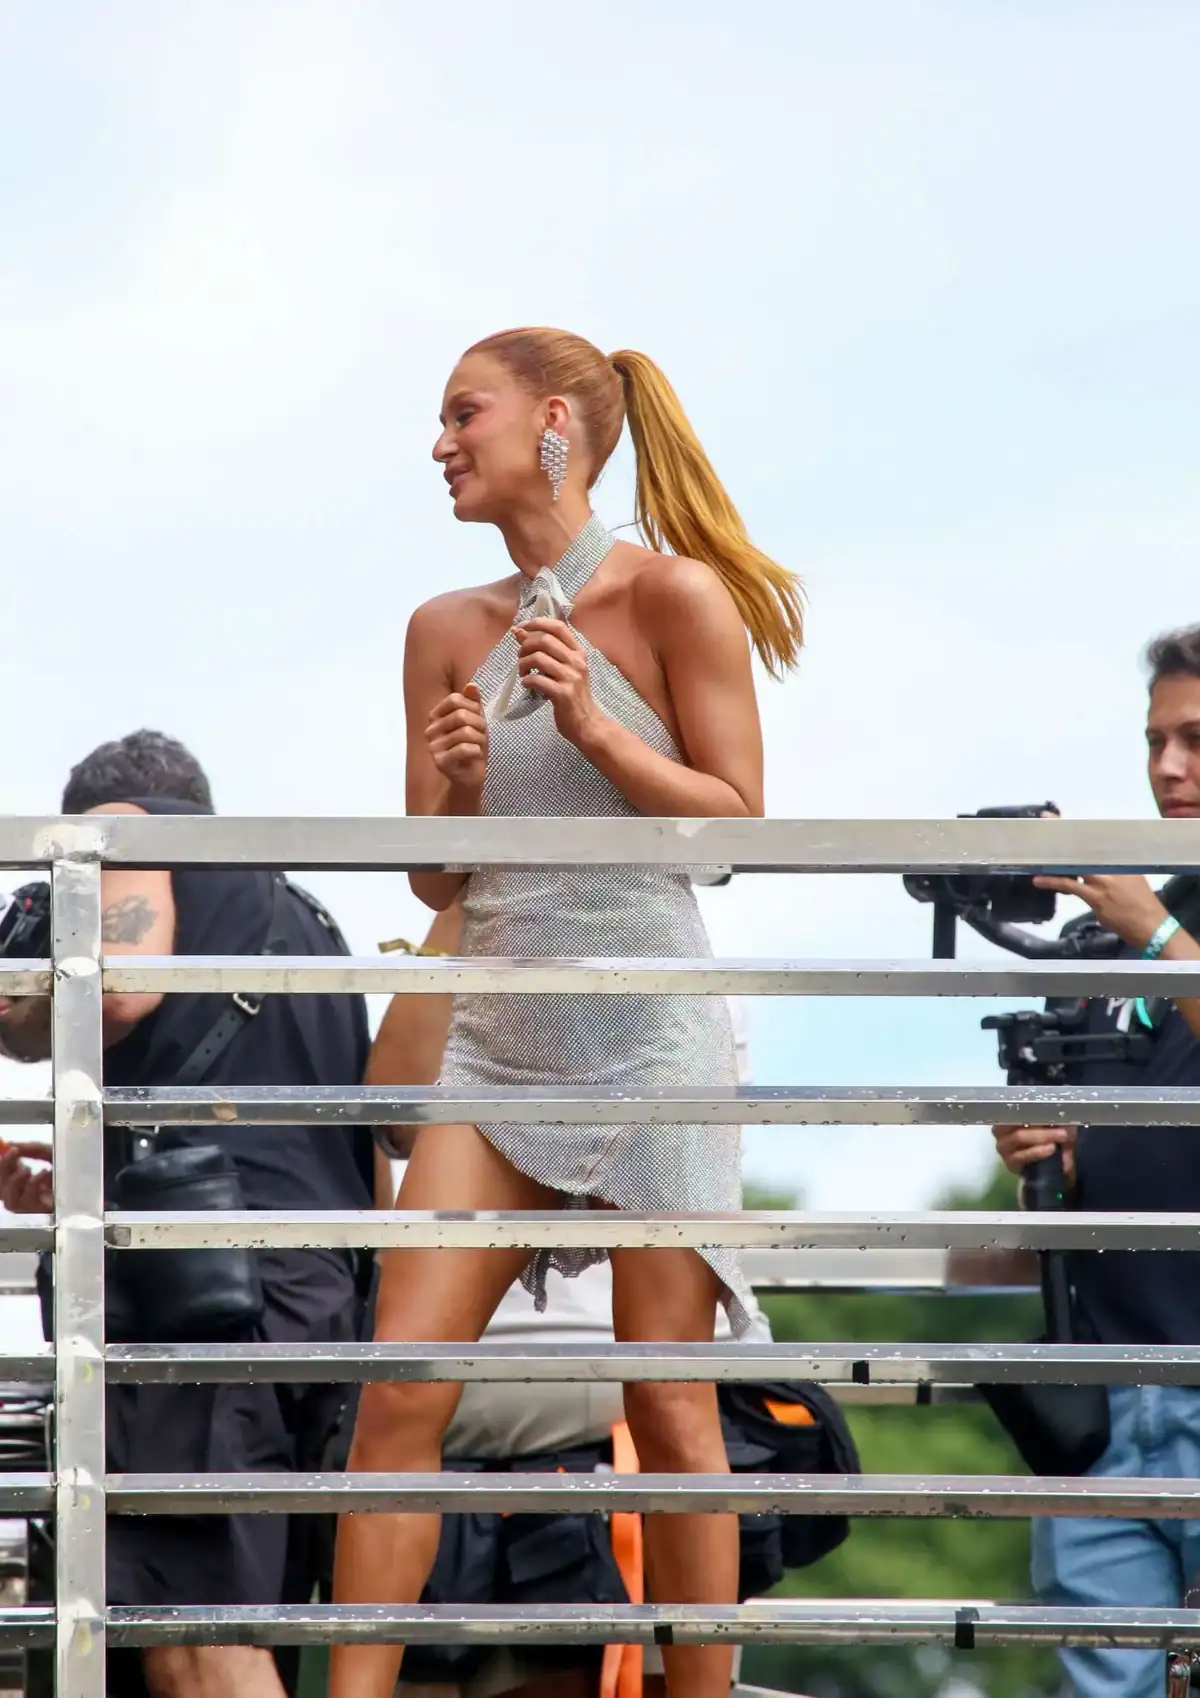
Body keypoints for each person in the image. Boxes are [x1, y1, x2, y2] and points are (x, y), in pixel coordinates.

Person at [331, 328, 803, 1698]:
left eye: (460, 415)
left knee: (669, 1400)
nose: (438, 445)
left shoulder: (675, 595)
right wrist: (459, 783)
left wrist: (596, 729)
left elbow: (734, 831)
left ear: (551, 422)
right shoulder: (442, 628)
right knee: (400, 1390)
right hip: (499, 1040)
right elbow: (438, 876)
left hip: (651, 1034)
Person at [0, 730, 377, 1698]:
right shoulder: (305, 920)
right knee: (238, 1625)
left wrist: (19, 981)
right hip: (309, 1298)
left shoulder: (123, 832)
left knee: (194, 1640)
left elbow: (120, 991)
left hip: (204, 1298)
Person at [366, 905, 786, 1698]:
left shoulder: (674, 974)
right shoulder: (476, 943)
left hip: (602, 1432)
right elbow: (394, 1112)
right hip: (460, 1443)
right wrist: (465, 907)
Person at [991, 626, 1200, 1698]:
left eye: (1196, 739)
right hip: (1108, 1385)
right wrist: (1045, 1149)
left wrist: (1158, 936)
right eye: (1156, 741)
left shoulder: (1150, 926)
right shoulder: (1128, 931)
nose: (1169, 768)